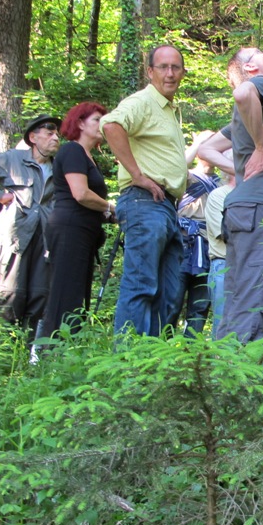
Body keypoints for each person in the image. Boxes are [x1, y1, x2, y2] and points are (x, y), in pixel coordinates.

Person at [200, 47, 263, 342]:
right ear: (251, 68)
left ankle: (227, 364)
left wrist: (242, 170)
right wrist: (262, 150)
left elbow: (206, 149)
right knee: (258, 298)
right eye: (260, 52)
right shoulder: (260, 84)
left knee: (239, 298)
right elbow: (242, 94)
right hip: (260, 208)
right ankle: (248, 367)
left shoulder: (254, 114)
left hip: (243, 209)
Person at [101, 45, 189, 337]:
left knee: (169, 292)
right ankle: (127, 357)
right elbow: (111, 125)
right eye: (163, 67)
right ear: (150, 71)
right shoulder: (144, 101)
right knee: (141, 284)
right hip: (144, 202)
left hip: (166, 207)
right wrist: (137, 175)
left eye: (175, 67)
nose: (170, 73)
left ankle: (152, 356)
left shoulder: (169, 110)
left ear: (183, 73)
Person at [0, 115, 61, 334]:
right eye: (50, 133)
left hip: (45, 239)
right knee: (11, 294)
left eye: (57, 134)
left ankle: (30, 348)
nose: (56, 138)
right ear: (33, 137)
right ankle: (6, 347)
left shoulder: (59, 167)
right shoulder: (13, 159)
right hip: (16, 237)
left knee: (40, 294)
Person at [40, 102, 113, 338]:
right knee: (66, 290)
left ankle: (70, 344)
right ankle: (50, 348)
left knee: (77, 290)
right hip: (69, 229)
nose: (102, 124)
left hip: (83, 230)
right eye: (97, 120)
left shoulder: (89, 157)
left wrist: (109, 214)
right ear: (80, 123)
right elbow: (80, 193)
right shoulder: (72, 151)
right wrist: (112, 208)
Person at [177, 132, 221, 335]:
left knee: (201, 303)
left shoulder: (222, 182)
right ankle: (162, 347)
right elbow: (177, 166)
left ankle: (191, 346)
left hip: (209, 245)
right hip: (183, 243)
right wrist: (197, 143)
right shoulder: (186, 176)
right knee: (173, 297)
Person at [204, 167, 235, 336]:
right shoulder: (218, 195)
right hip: (224, 265)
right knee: (223, 326)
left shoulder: (254, 196)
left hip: (249, 268)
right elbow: (225, 234)